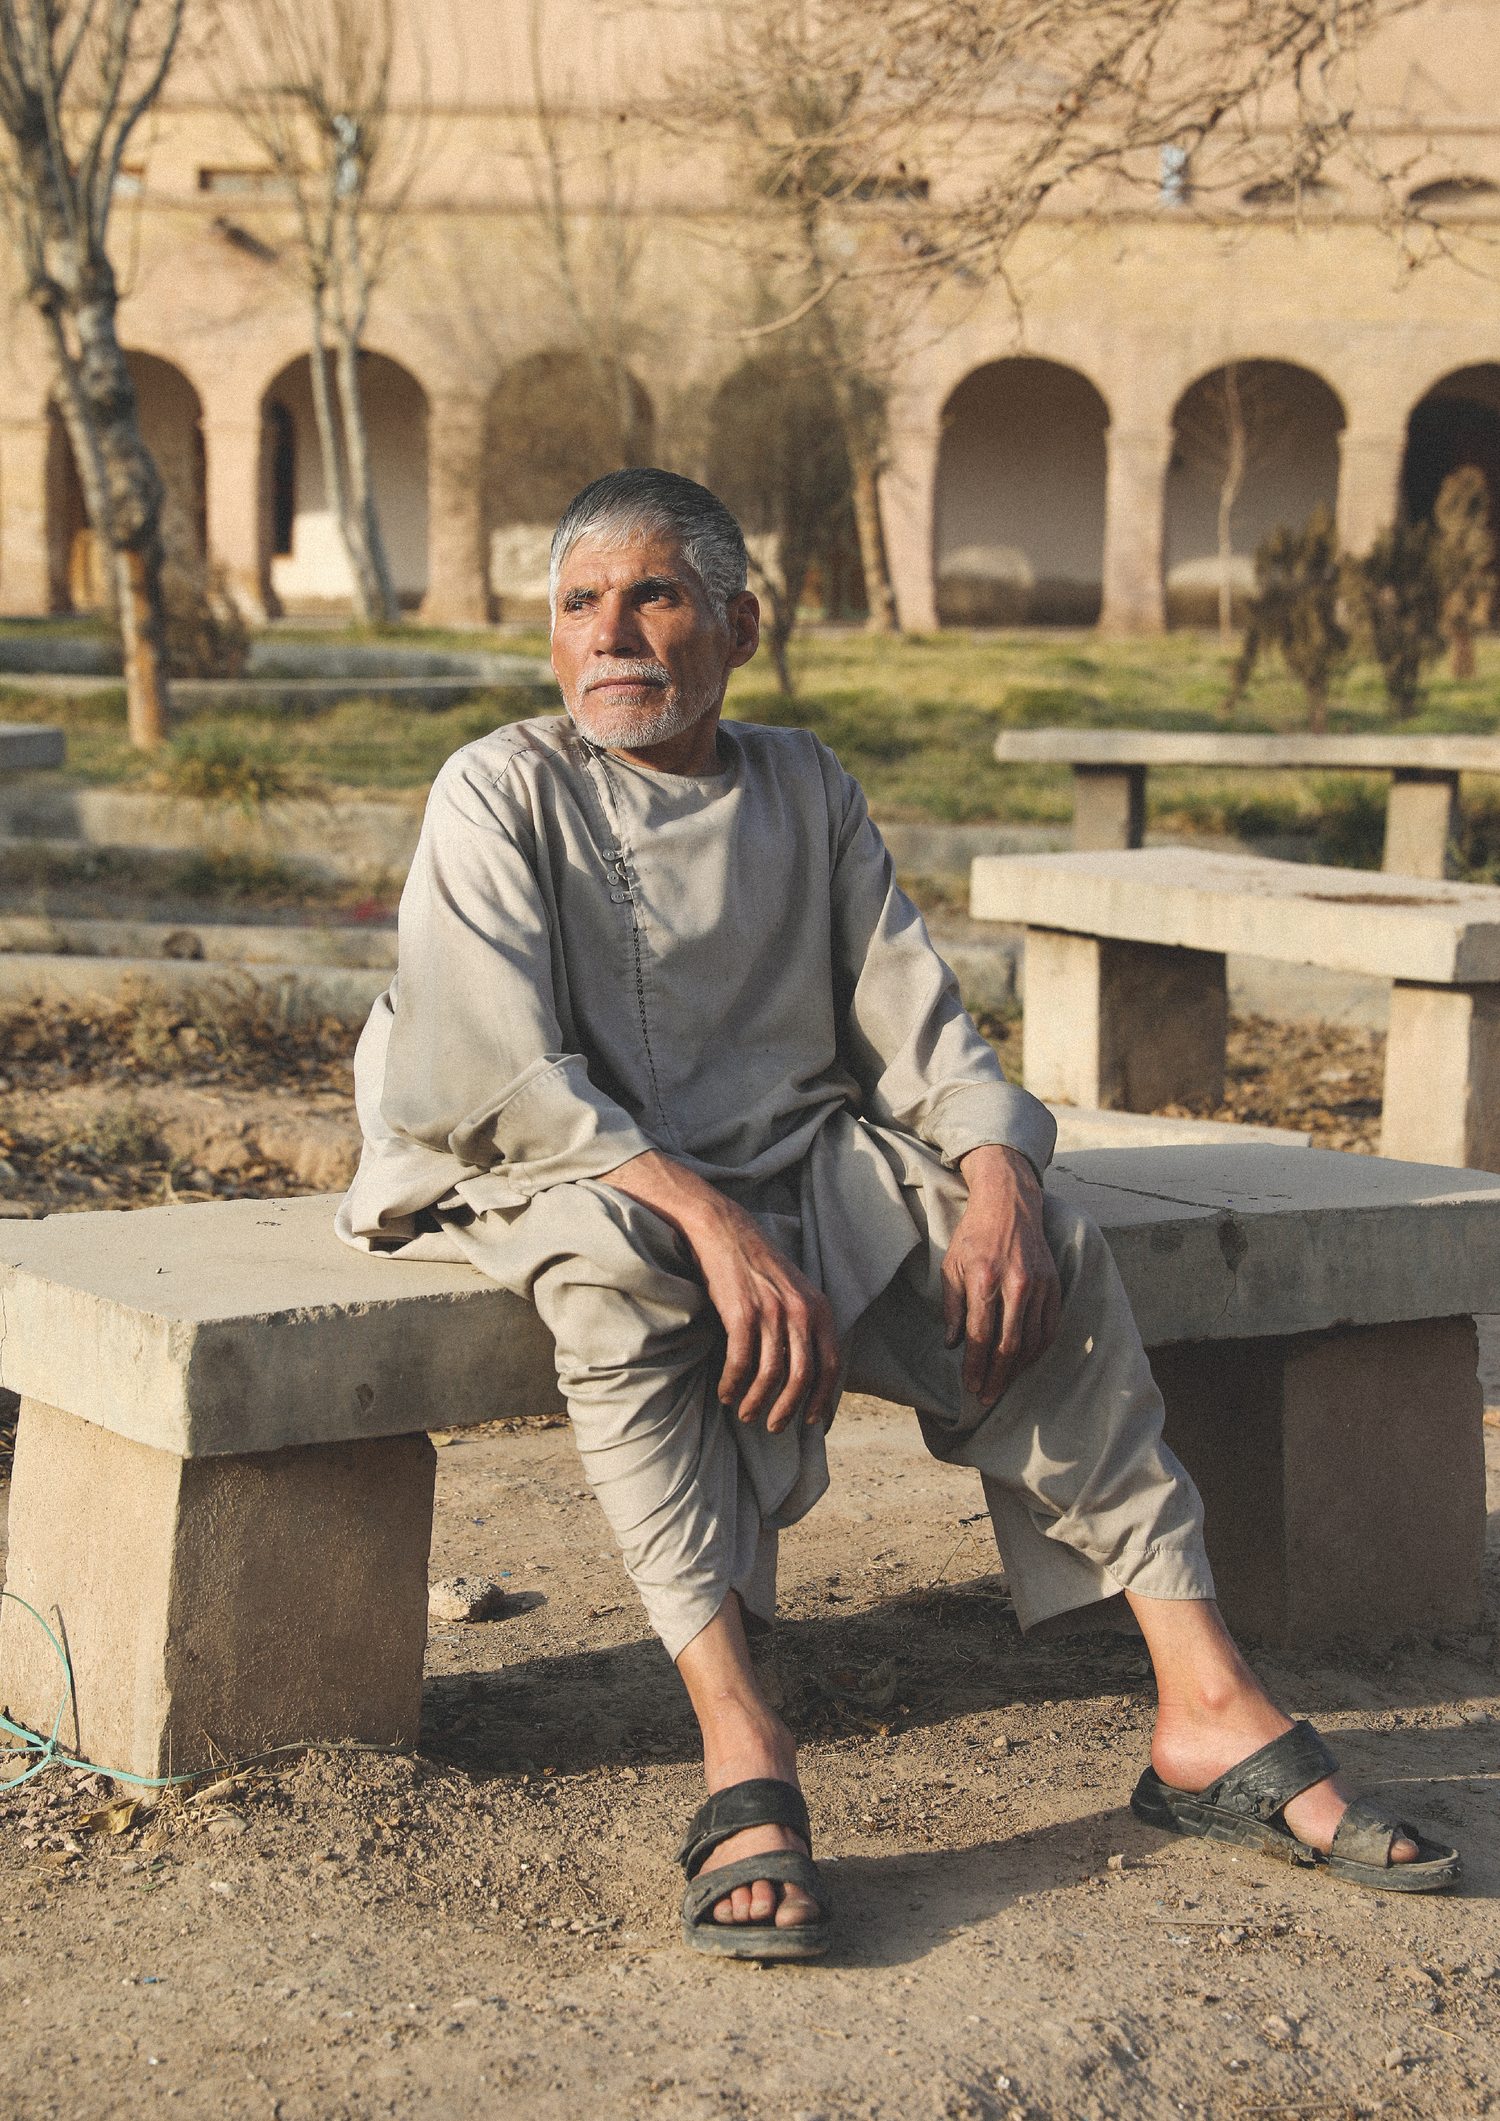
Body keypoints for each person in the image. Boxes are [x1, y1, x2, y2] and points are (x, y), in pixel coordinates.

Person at [338, 468, 1457, 1957]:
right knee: (625, 1277)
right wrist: (716, 1224)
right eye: (579, 605)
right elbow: (495, 1071)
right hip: (545, 1155)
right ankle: (745, 1750)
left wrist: (998, 1170)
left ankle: (1206, 1711)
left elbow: (919, 1028)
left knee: (1040, 1253)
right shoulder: (502, 786)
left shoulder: (805, 785)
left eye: (655, 594)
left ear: (739, 622)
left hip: (787, 1147)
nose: (613, 634)